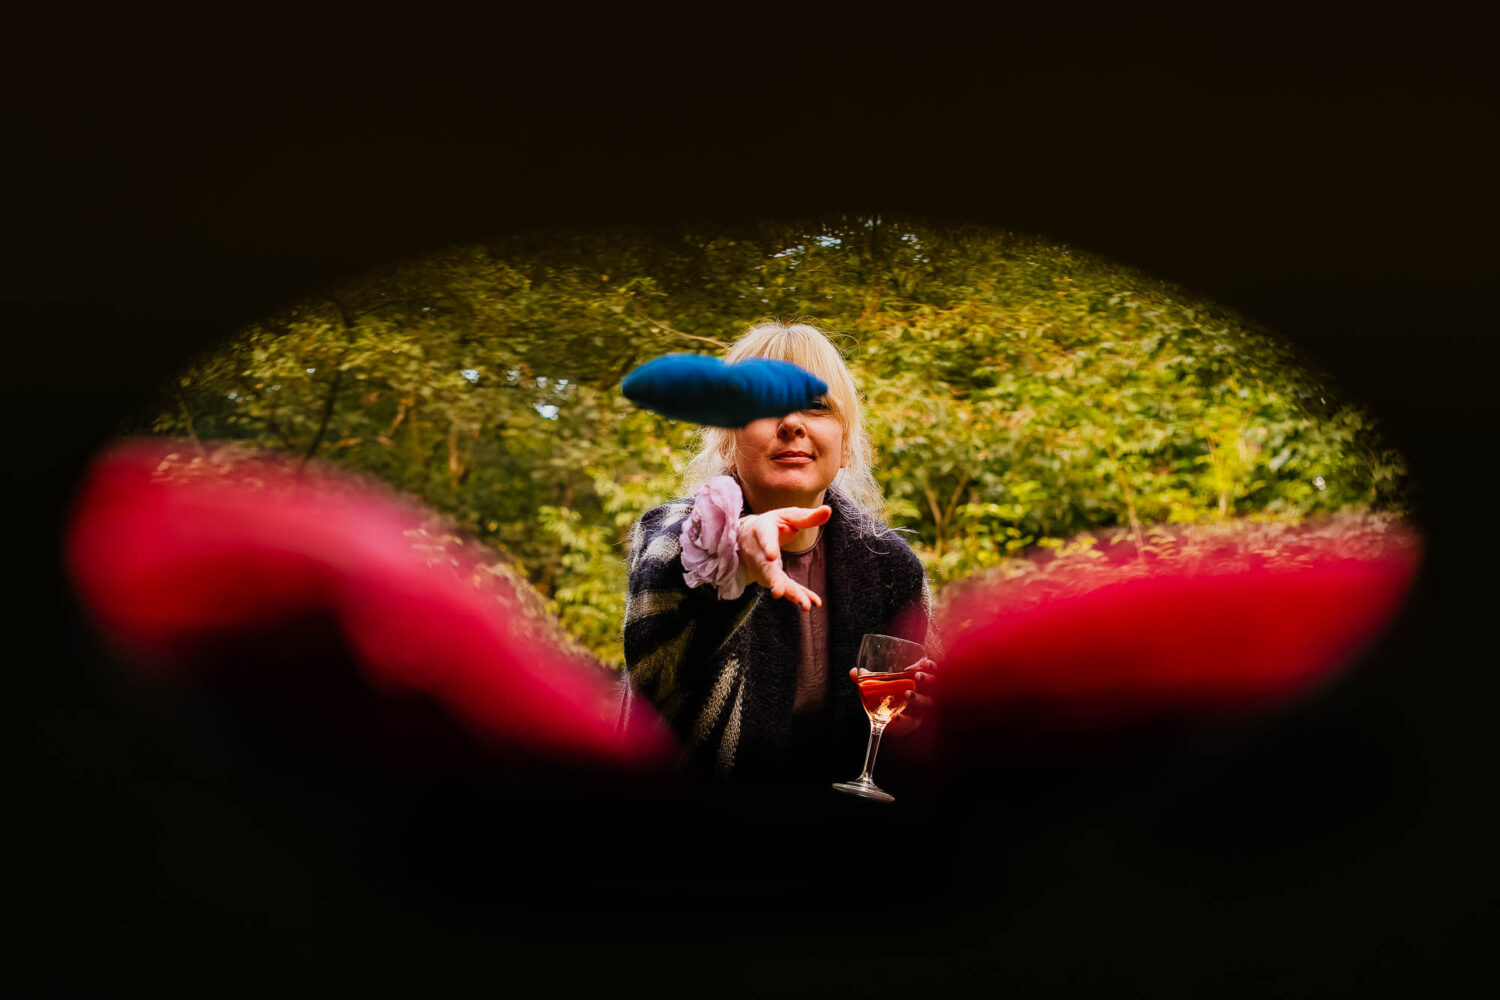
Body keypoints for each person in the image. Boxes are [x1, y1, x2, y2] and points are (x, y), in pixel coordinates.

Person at [621, 321, 938, 783]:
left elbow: (922, 737)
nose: (792, 423)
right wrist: (729, 555)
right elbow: (653, 674)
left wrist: (916, 722)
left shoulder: (891, 566)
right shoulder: (673, 536)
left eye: (816, 407)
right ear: (728, 439)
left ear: (846, 444)